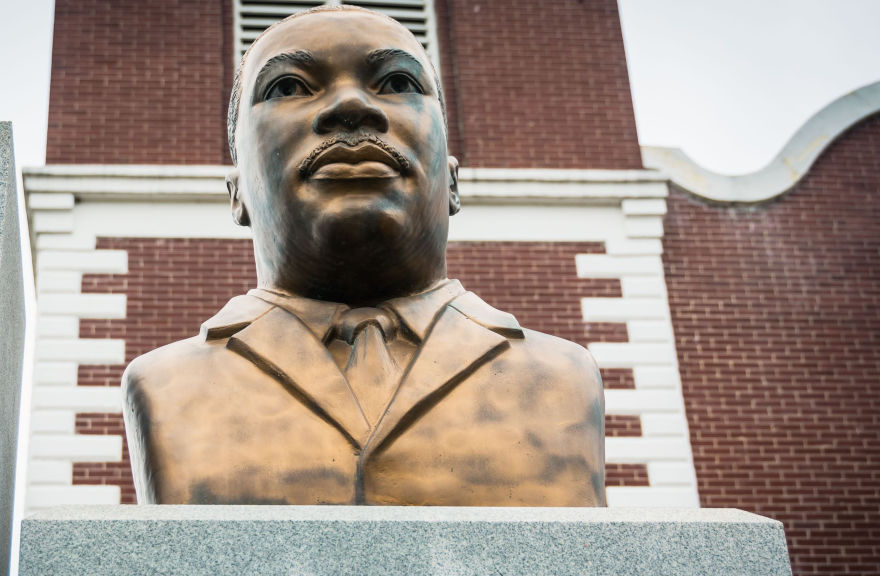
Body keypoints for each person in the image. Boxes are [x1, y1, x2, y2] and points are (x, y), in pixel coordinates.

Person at [122, 5, 606, 506]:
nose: (351, 105)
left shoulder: (563, 376)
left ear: (454, 183)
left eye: (396, 82)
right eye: (287, 86)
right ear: (236, 192)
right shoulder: (163, 386)